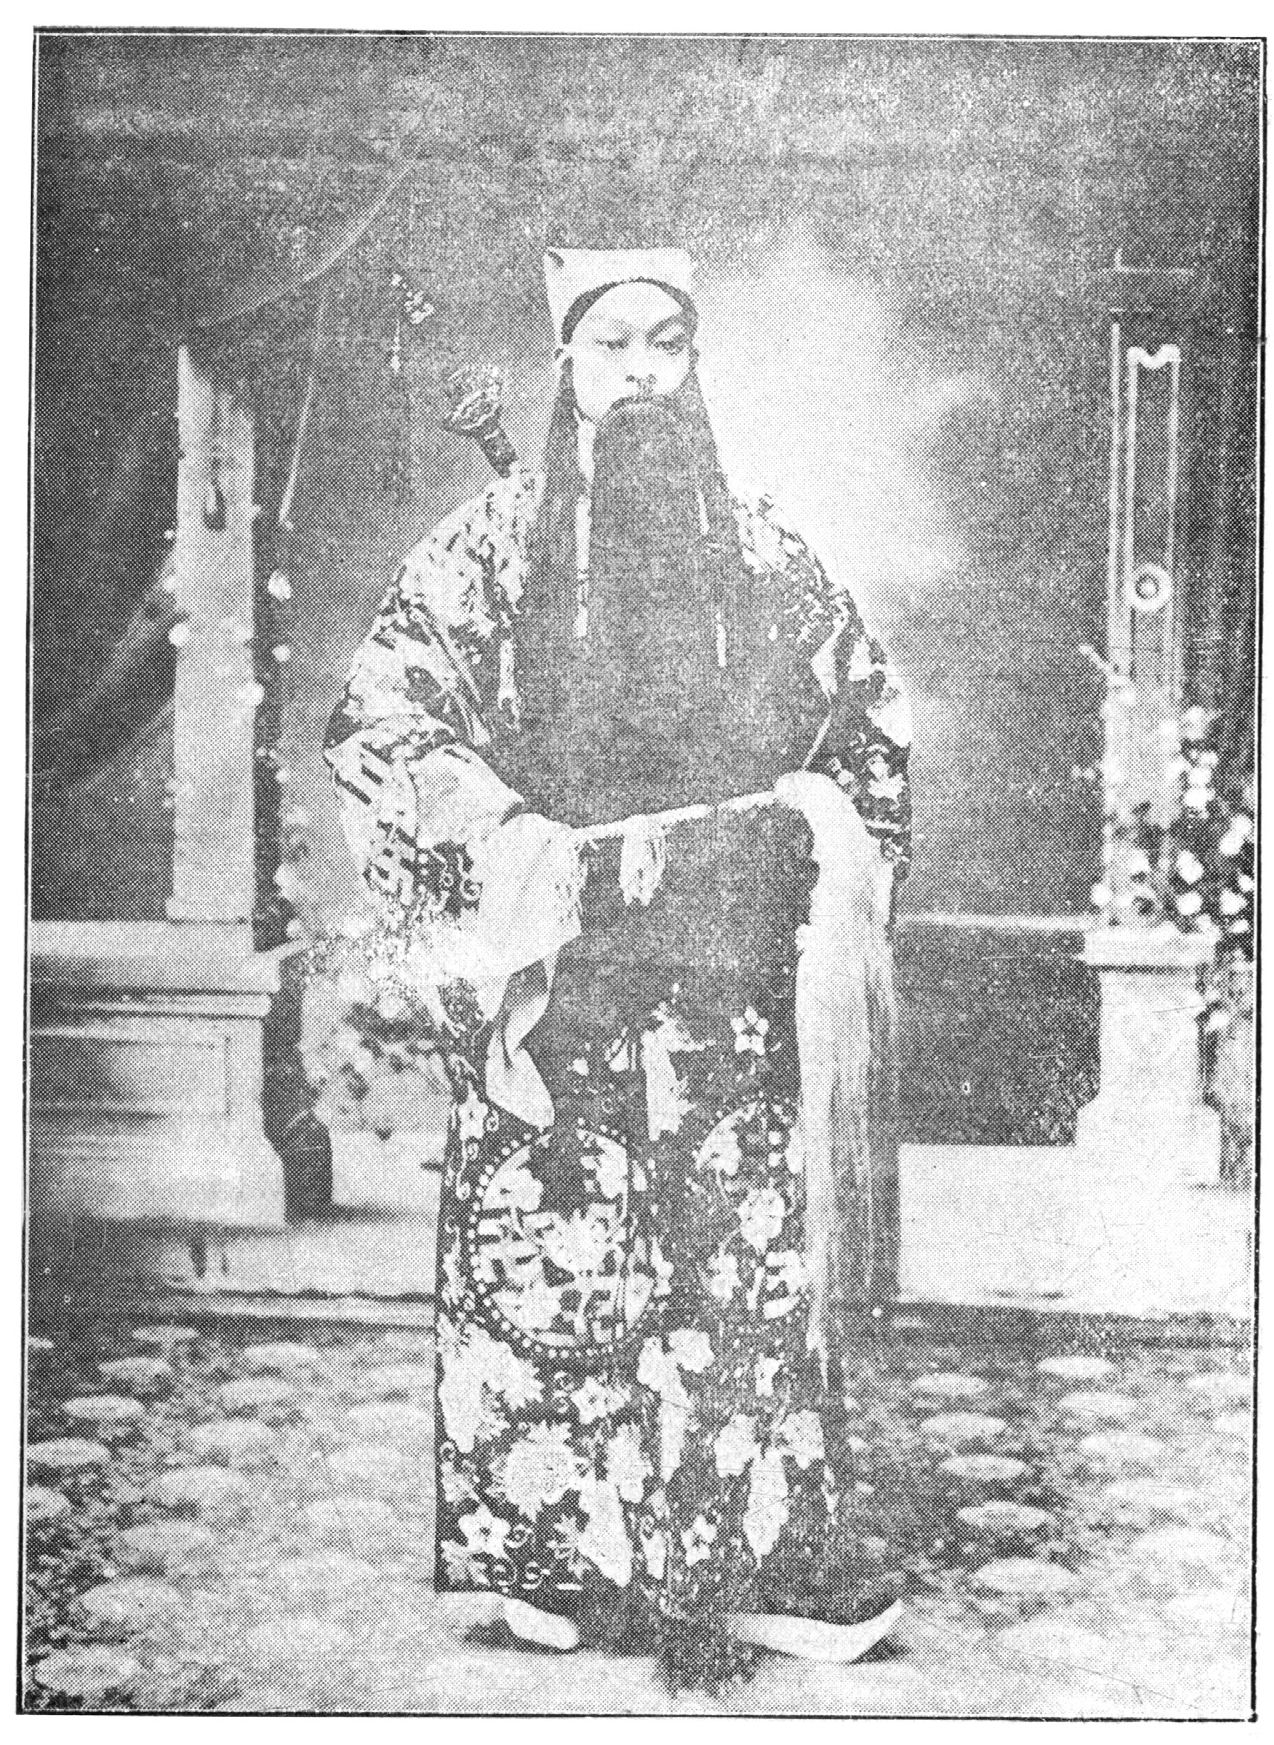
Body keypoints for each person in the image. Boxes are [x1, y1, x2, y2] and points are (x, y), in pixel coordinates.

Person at [324, 248, 912, 1691]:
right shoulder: (486, 546)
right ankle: (556, 1553)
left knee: (729, 1264)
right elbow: (385, 727)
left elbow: (866, 728)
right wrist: (524, 848)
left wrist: (800, 821)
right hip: (562, 970)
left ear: (693, 366)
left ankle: (740, 1559)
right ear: (566, 366)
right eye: (611, 345)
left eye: (666, 344)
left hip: (717, 971)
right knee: (554, 1260)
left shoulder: (760, 550)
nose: (641, 372)